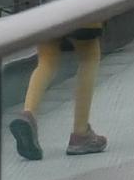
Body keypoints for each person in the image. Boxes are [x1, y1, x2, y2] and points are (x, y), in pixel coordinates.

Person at [8, 26, 108, 159]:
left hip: (48, 11)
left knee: (46, 61)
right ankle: (81, 133)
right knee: (89, 56)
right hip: (78, 10)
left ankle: (28, 114)